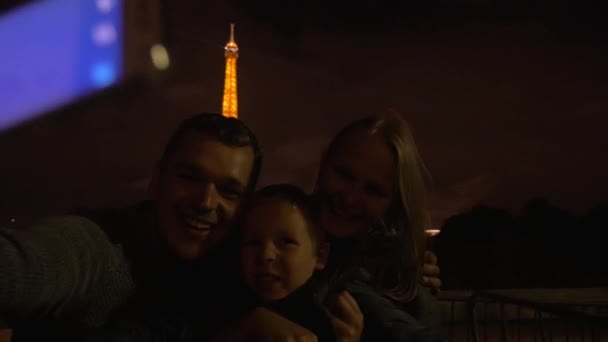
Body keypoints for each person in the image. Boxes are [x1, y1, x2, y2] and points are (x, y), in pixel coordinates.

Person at [0, 112, 442, 341]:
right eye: (190, 177)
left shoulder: (383, 283)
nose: (207, 203)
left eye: (229, 191)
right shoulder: (102, 248)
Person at [235, 183, 436, 341]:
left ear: (320, 256)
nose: (265, 255)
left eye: (286, 242)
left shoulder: (344, 299)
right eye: (252, 243)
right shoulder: (226, 305)